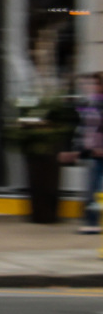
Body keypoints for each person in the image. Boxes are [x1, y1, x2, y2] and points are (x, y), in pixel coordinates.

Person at [62, 72, 103, 234]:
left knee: (94, 190)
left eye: (94, 84)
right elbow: (83, 129)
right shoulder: (88, 104)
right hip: (93, 154)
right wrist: (76, 150)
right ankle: (91, 222)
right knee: (91, 190)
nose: (90, 87)